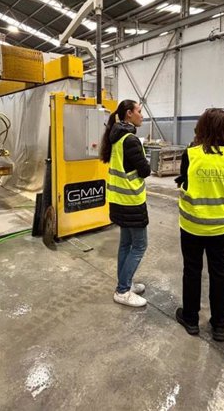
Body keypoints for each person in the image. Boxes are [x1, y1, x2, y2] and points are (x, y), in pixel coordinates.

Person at [174, 108, 224, 342]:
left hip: (193, 224)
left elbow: (184, 182)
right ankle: (219, 326)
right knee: (219, 273)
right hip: (222, 226)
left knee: (192, 271)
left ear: (201, 126)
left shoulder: (192, 153)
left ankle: (191, 319)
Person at [100, 99, 152, 308]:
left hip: (118, 200)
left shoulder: (116, 137)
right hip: (131, 200)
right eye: (139, 111)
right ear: (129, 114)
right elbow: (145, 171)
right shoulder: (130, 140)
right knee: (139, 245)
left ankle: (125, 283)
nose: (142, 115)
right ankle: (122, 290)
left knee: (126, 244)